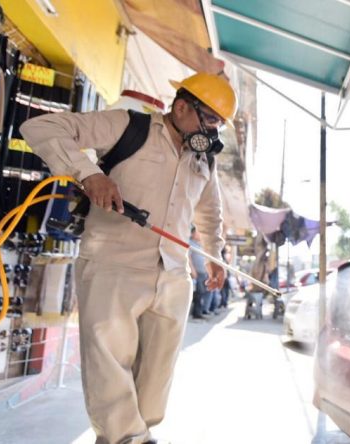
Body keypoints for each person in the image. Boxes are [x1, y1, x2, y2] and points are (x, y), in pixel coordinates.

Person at [20, 72, 236, 444]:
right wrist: (89, 174)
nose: (213, 132)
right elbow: (41, 126)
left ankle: (135, 435)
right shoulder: (127, 126)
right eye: (210, 119)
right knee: (109, 366)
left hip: (172, 275)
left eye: (219, 124)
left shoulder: (204, 158)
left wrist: (214, 253)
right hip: (113, 265)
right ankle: (126, 440)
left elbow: (209, 210)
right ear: (181, 106)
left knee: (156, 377)